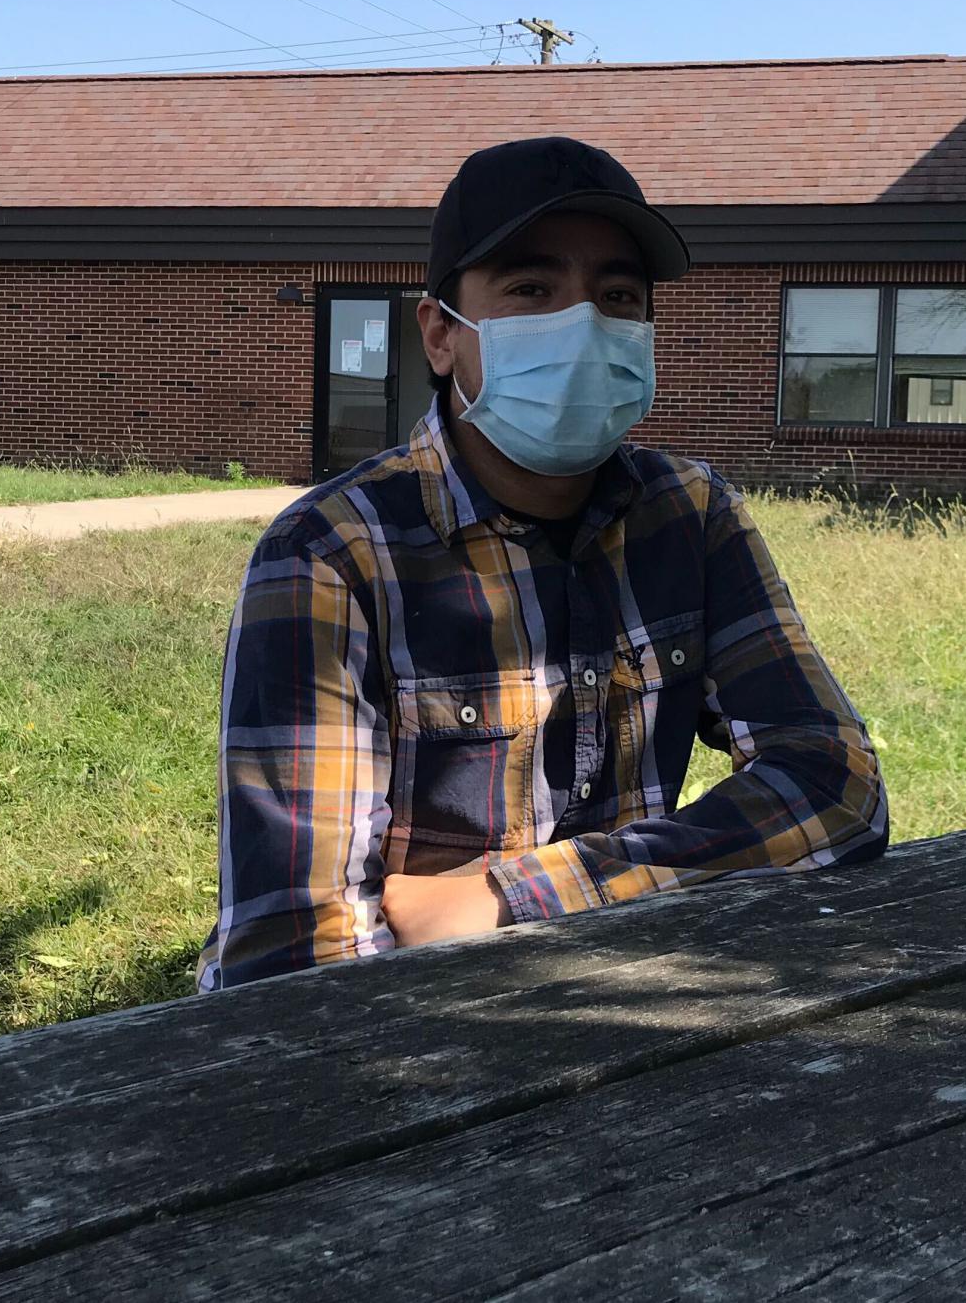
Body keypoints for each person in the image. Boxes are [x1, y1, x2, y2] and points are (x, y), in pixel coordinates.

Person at [196, 136, 889, 991]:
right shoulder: (328, 558)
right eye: (532, 289)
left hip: (624, 1003)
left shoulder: (691, 515)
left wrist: (513, 897)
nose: (583, 322)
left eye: (617, 295)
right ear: (441, 336)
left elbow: (836, 787)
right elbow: (293, 953)